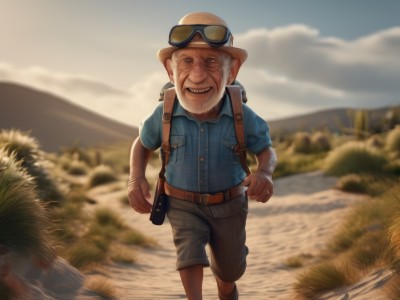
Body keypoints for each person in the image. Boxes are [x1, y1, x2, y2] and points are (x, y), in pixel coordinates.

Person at [128, 12, 277, 300]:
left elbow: (266, 149)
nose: (197, 75)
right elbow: (143, 143)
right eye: (187, 61)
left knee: (230, 268)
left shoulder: (242, 114)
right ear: (171, 72)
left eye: (210, 61)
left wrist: (265, 172)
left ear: (231, 71)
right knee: (189, 253)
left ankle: (226, 287)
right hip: (181, 202)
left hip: (230, 204)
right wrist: (136, 179)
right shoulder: (164, 113)